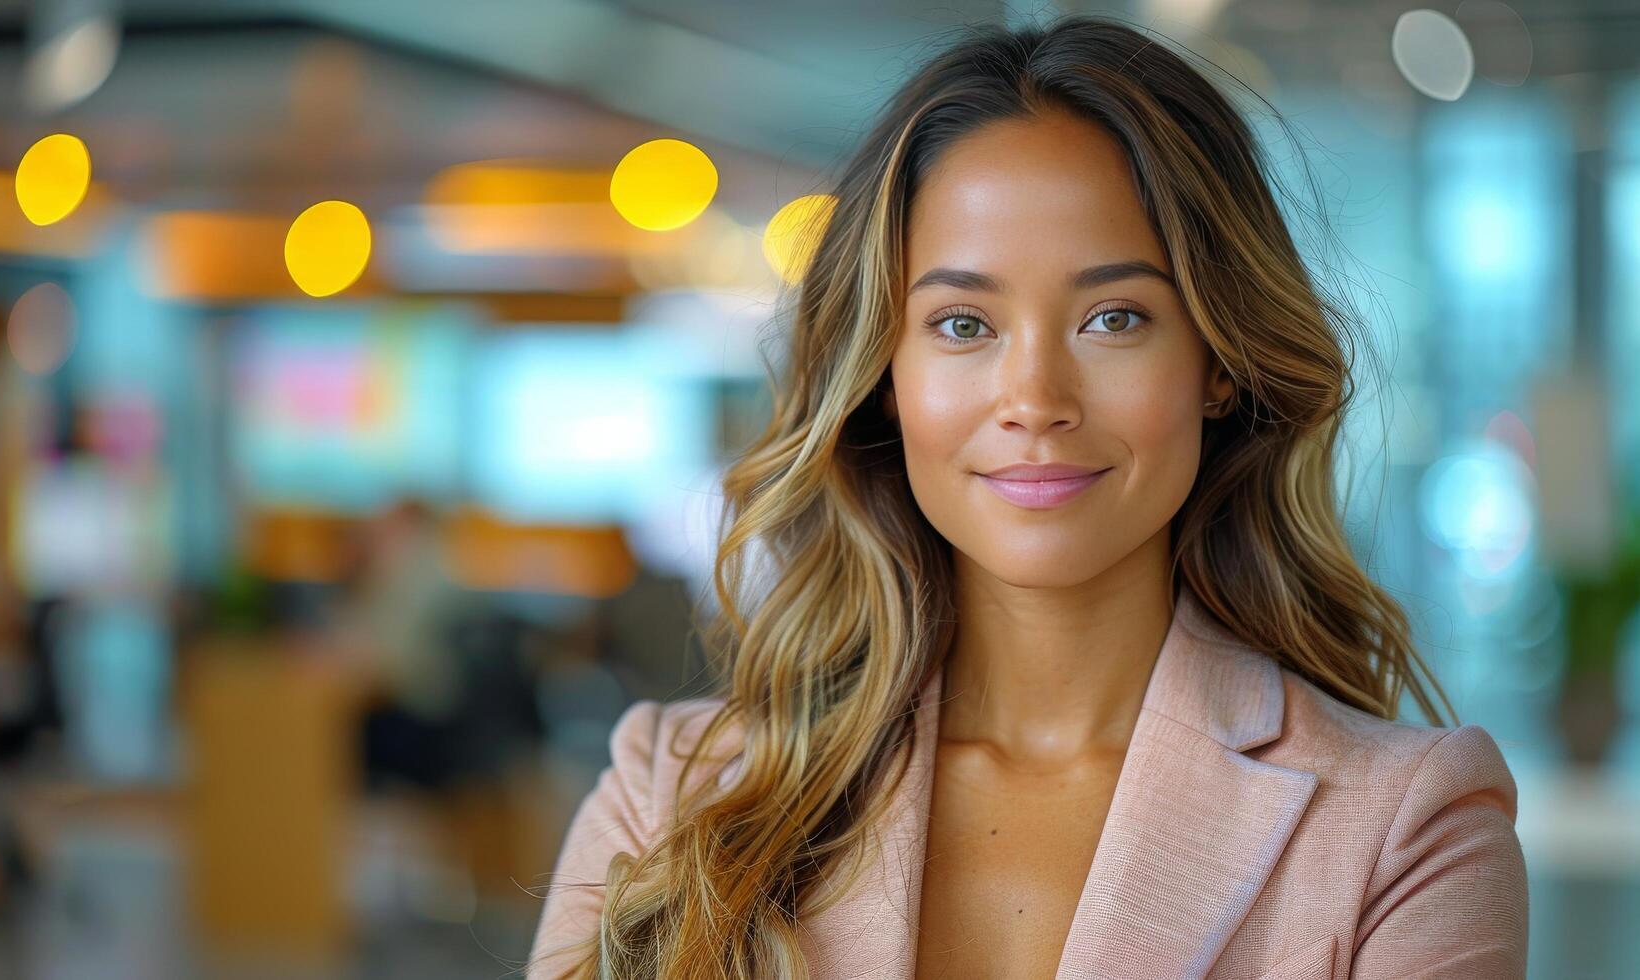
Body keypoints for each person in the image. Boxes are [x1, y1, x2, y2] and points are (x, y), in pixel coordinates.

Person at [527, 14, 1527, 979]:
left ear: (1219, 361)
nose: (1036, 400)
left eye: (1115, 316)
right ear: (886, 371)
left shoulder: (1405, 828)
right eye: (964, 324)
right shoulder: (672, 796)